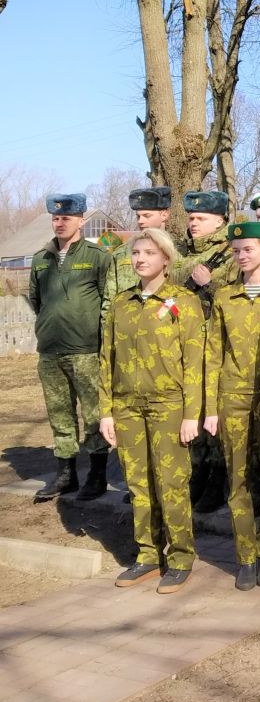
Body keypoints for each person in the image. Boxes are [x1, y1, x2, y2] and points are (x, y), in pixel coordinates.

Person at [99, 228, 204, 594]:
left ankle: (179, 558)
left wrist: (193, 414)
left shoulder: (183, 301)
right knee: (139, 485)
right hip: (128, 407)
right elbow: (106, 359)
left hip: (168, 406)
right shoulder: (121, 303)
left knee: (171, 484)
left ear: (166, 259)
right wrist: (106, 411)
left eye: (148, 253)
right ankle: (147, 554)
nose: (140, 259)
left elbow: (194, 361)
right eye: (136, 253)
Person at [205, 221, 260, 591]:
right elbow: (212, 354)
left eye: (248, 249)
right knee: (238, 480)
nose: (241, 256)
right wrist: (210, 407)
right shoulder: (224, 297)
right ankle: (245, 556)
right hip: (233, 398)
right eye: (236, 251)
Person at [29, 194, 112, 503]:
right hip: (50, 350)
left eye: (66, 217)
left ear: (81, 221)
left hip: (86, 350)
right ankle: (66, 474)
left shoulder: (98, 256)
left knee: (93, 415)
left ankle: (98, 474)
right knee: (60, 414)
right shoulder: (41, 259)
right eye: (55, 217)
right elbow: (36, 301)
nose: (59, 222)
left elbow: (108, 301)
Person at [173, 190, 234, 513]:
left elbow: (237, 297)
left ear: (220, 220)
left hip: (217, 340)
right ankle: (197, 470)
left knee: (215, 408)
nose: (194, 223)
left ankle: (216, 476)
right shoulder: (181, 253)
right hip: (185, 341)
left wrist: (209, 283)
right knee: (191, 406)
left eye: (201, 218)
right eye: (192, 218)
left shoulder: (231, 251)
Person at [103, 186, 173, 314]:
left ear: (164, 215)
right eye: (138, 216)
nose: (141, 221)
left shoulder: (180, 252)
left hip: (168, 326)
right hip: (127, 326)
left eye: (146, 216)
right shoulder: (121, 254)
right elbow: (109, 302)